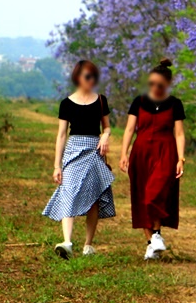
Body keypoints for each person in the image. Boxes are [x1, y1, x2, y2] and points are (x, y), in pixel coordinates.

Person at [42, 60, 115, 258]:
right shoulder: (66, 103)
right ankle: (67, 242)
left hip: (94, 151)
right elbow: (61, 134)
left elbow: (106, 126)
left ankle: (88, 244)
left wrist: (105, 136)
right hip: (74, 150)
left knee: (93, 198)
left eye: (93, 76)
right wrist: (57, 165)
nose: (90, 80)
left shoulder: (101, 100)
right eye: (87, 76)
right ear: (78, 77)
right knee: (69, 192)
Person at [119, 58, 186, 260]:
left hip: (165, 152)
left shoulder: (175, 104)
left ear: (167, 85)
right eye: (152, 84)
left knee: (154, 194)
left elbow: (180, 133)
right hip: (141, 152)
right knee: (141, 198)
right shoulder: (139, 102)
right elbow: (130, 129)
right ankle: (152, 244)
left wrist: (181, 158)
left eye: (159, 85)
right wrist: (124, 153)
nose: (155, 88)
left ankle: (156, 235)